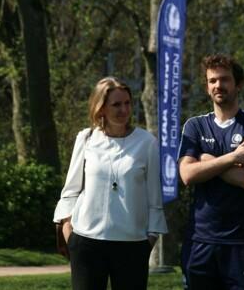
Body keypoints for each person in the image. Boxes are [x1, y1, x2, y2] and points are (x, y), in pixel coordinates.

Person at [53, 77, 168, 290]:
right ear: (101, 108)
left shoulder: (147, 143)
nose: (124, 109)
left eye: (127, 103)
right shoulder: (86, 138)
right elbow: (70, 191)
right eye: (116, 104)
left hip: (132, 246)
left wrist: (149, 240)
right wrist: (70, 234)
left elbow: (154, 198)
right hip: (86, 244)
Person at [178, 54, 244, 290]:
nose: (218, 85)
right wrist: (233, 157)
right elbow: (187, 175)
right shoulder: (194, 126)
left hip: (241, 242)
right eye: (212, 81)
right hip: (200, 240)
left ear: (237, 84)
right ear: (207, 86)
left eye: (224, 79)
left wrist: (207, 160)